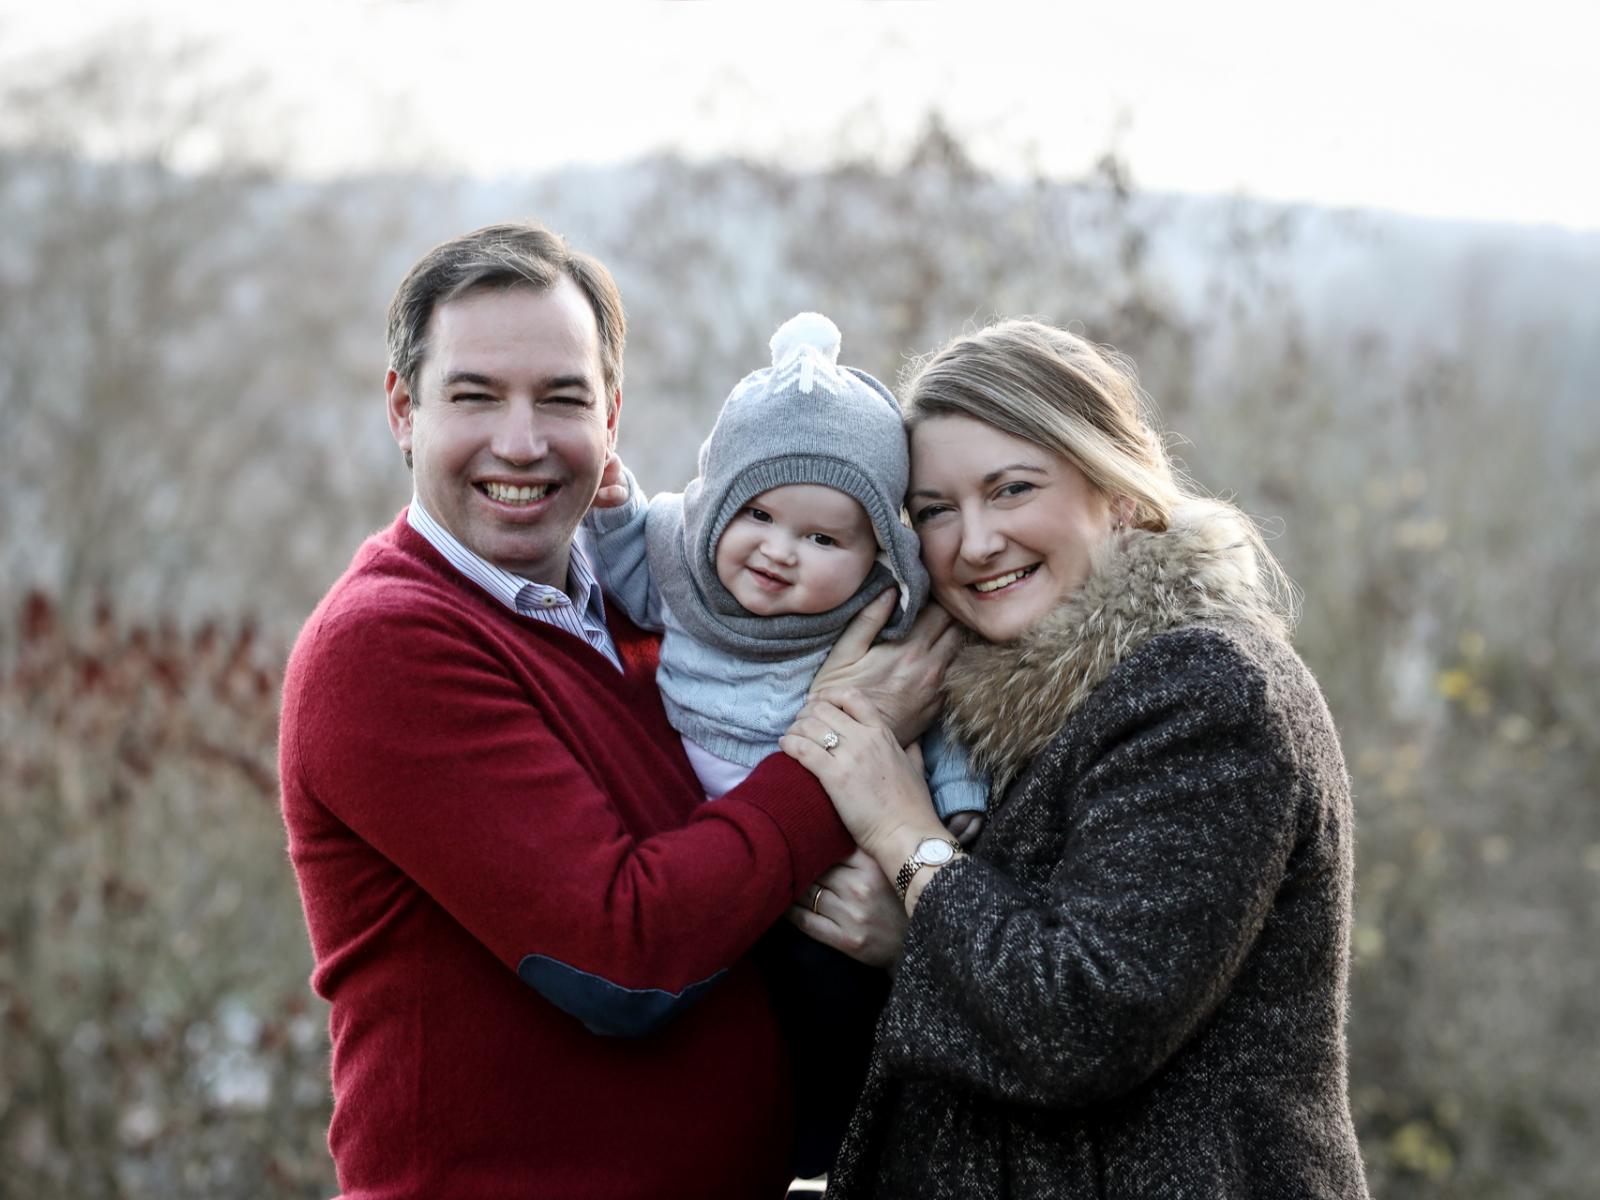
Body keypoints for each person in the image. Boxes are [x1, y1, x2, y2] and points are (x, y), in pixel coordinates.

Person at [277, 221, 951, 1199]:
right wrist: (842, 741)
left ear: (612, 417)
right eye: (475, 396)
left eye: (562, 398)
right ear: (402, 410)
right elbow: (625, 958)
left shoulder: (664, 613)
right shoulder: (387, 645)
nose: (522, 440)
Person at [782, 319, 1370, 1198]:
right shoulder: (992, 713)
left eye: (1012, 489)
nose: (973, 542)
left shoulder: (1208, 691)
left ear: (1118, 489)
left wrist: (908, 839)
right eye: (935, 510)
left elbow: (1087, 1017)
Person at [582, 310, 986, 1172]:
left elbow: (937, 719)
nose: (778, 552)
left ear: (877, 550)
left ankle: (837, 1146)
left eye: (822, 538)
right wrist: (613, 514)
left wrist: (957, 811)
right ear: (718, 500)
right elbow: (624, 568)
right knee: (730, 1016)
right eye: (757, 514)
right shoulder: (682, 560)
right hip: (714, 850)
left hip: (832, 868)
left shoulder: (882, 621)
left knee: (833, 992)